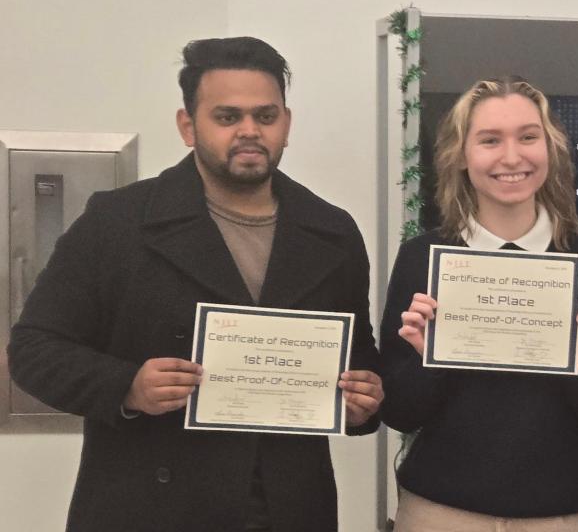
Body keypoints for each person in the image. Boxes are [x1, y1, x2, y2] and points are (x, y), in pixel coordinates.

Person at [7, 36, 384, 532]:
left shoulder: (332, 231)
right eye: (227, 117)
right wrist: (128, 386)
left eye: (265, 117)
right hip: (150, 508)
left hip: (289, 507)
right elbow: (33, 349)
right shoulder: (117, 222)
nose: (249, 131)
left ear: (286, 125)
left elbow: (359, 357)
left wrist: (366, 399)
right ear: (188, 126)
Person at [378, 76, 578, 531]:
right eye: (490, 140)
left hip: (562, 514)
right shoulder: (423, 257)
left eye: (528, 137)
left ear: (549, 148)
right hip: (440, 512)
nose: (512, 157)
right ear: (461, 155)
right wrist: (430, 358)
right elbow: (397, 412)